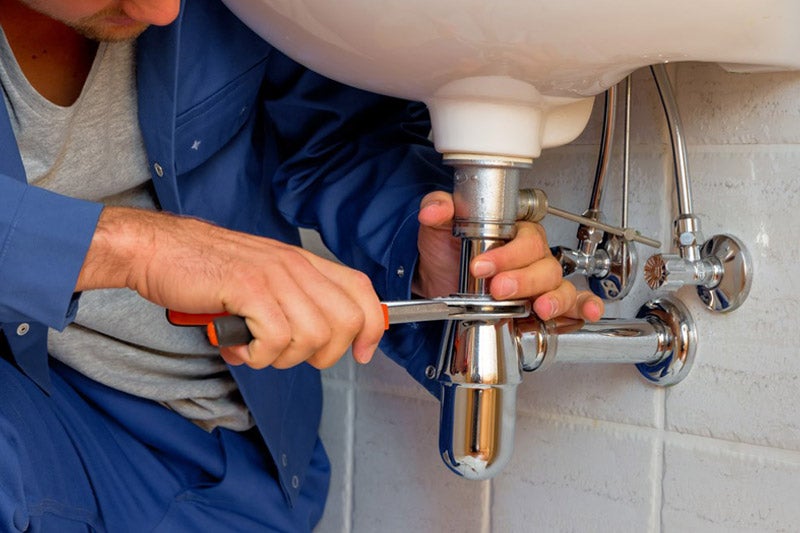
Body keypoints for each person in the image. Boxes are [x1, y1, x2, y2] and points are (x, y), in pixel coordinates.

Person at [0, 0, 604, 531]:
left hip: (226, 460)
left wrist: (421, 254)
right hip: (35, 413)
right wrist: (135, 247)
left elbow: (334, 137)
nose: (165, 11)